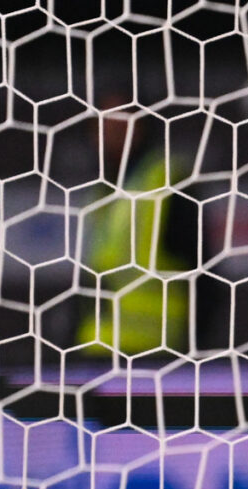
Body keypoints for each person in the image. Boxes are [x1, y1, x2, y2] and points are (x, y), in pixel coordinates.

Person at [76, 105, 197, 358]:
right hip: (98, 348)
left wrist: (196, 344)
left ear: (141, 126)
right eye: (102, 125)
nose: (109, 134)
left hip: (155, 351)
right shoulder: (102, 191)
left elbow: (200, 268)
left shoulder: (164, 181)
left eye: (119, 123)